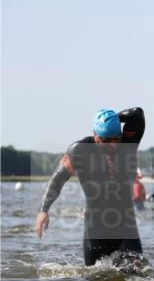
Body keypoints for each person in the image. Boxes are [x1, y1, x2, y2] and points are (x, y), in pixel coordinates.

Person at [35, 107, 146, 269]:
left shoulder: (128, 143)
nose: (112, 145)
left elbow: (137, 114)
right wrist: (44, 210)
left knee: (137, 271)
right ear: (95, 134)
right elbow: (57, 179)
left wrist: (112, 119)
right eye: (105, 140)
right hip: (95, 230)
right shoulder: (79, 151)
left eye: (115, 139)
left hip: (126, 228)